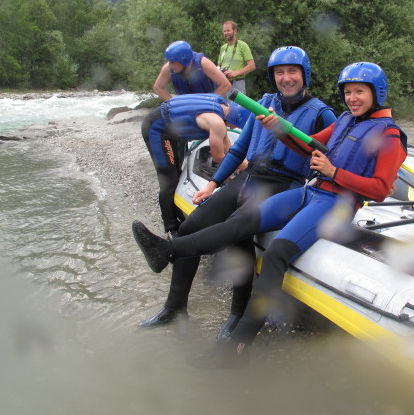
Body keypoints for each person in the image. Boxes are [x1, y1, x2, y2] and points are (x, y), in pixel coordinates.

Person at [132, 62, 408, 368]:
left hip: (336, 204)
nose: (353, 98)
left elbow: (381, 189)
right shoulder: (345, 120)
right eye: (348, 92)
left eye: (360, 92)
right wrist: (278, 128)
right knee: (241, 222)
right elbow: (307, 145)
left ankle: (237, 348)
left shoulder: (391, 135)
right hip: (310, 192)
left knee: (276, 254)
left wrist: (334, 171)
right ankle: (166, 250)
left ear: (376, 93)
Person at [133, 46, 337, 335]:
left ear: (305, 75)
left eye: (293, 72)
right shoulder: (264, 102)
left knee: (238, 236)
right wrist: (214, 183)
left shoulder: (321, 114)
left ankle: (237, 316)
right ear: (273, 76)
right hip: (247, 178)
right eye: (280, 72)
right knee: (189, 227)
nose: (286, 78)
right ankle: (174, 307)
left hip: (282, 184)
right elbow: (240, 147)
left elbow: (333, 156)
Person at [144, 41, 232, 234]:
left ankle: (177, 212)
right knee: (169, 178)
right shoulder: (170, 66)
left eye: (173, 63)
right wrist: (176, 104)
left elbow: (225, 84)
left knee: (177, 169)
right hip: (163, 126)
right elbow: (158, 87)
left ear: (185, 60)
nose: (170, 66)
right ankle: (171, 228)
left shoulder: (203, 63)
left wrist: (207, 102)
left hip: (194, 115)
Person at [217, 21, 256, 94]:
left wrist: (235, 73)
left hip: (238, 83)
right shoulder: (223, 48)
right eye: (224, 31)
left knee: (237, 105)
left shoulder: (242, 45)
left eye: (228, 30)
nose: (226, 33)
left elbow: (252, 66)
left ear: (235, 31)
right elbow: (219, 65)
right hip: (224, 83)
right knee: (225, 105)